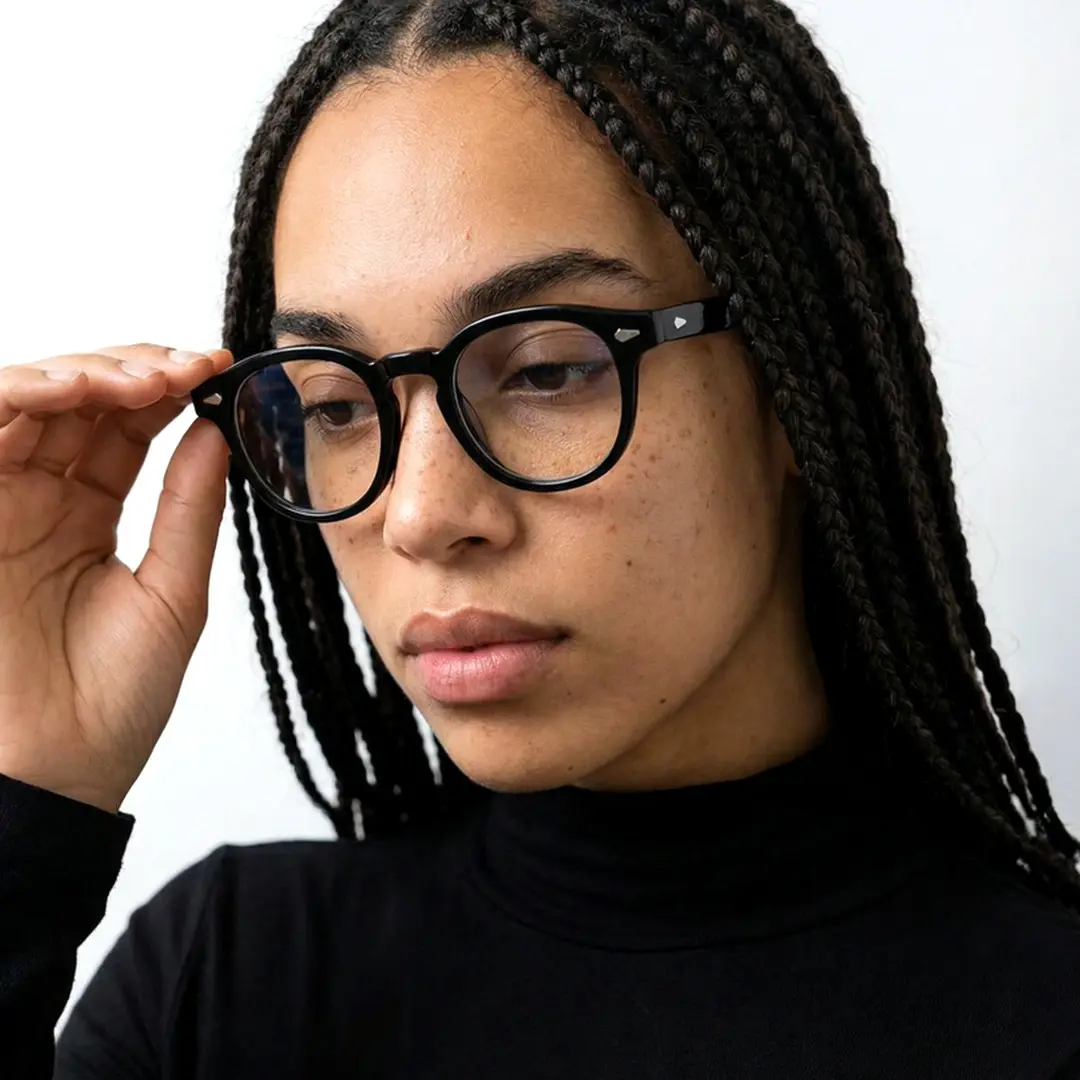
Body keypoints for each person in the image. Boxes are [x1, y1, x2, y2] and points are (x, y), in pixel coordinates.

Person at [1, 0, 1079, 1076]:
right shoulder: (227, 989)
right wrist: (25, 798)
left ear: (797, 384)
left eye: (547, 371)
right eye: (336, 404)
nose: (421, 515)